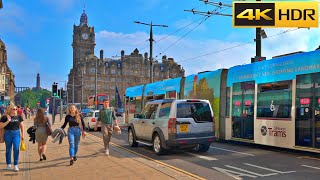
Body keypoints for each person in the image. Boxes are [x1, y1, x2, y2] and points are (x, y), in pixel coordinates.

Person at [0, 105, 25, 172]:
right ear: (10, 110)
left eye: (16, 109)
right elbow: (1, 126)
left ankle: (16, 165)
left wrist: (23, 134)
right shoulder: (5, 117)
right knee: (8, 149)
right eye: (13, 109)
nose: (15, 110)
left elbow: (22, 126)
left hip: (16, 134)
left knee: (16, 148)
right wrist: (8, 121)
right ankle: (8, 164)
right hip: (8, 134)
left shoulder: (18, 117)